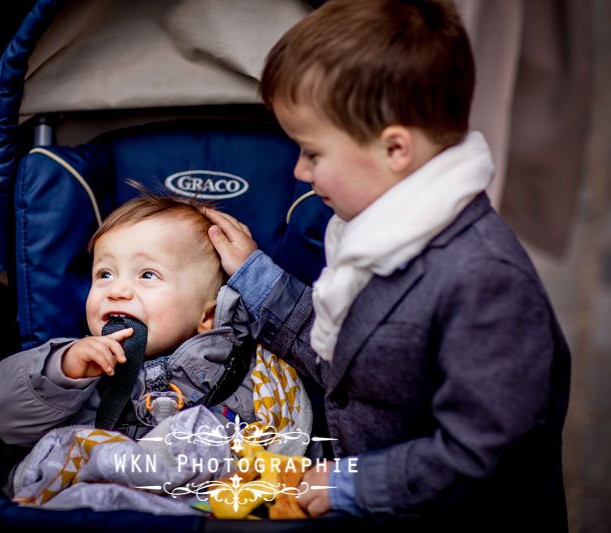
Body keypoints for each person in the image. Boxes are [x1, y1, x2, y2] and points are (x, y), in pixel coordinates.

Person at [203, 0, 571, 529]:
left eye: (313, 152)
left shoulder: (485, 281)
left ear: (395, 147)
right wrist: (257, 281)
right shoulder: (379, 235)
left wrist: (349, 483)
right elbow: (355, 362)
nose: (300, 170)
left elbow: (481, 451)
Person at [0, 191, 311, 448]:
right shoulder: (82, 368)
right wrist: (61, 370)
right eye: (105, 273)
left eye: (148, 274)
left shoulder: (247, 376)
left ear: (207, 315)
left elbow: (275, 448)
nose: (118, 290)